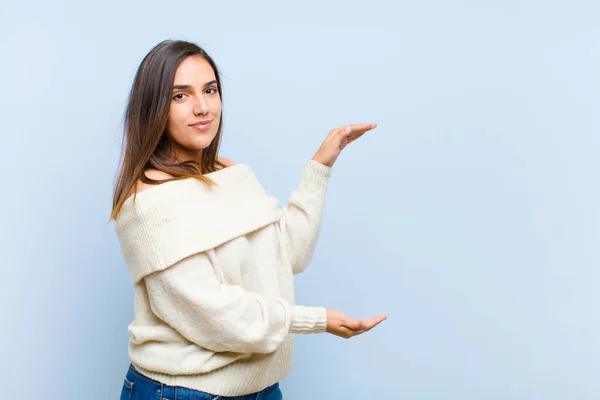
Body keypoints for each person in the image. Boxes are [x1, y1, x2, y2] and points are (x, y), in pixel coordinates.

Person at [110, 39, 386, 400]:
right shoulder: (147, 205)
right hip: (183, 392)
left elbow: (289, 254)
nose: (202, 107)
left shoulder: (230, 171)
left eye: (210, 90)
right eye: (180, 96)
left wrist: (320, 166)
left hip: (261, 388)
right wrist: (318, 320)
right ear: (153, 107)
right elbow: (219, 317)